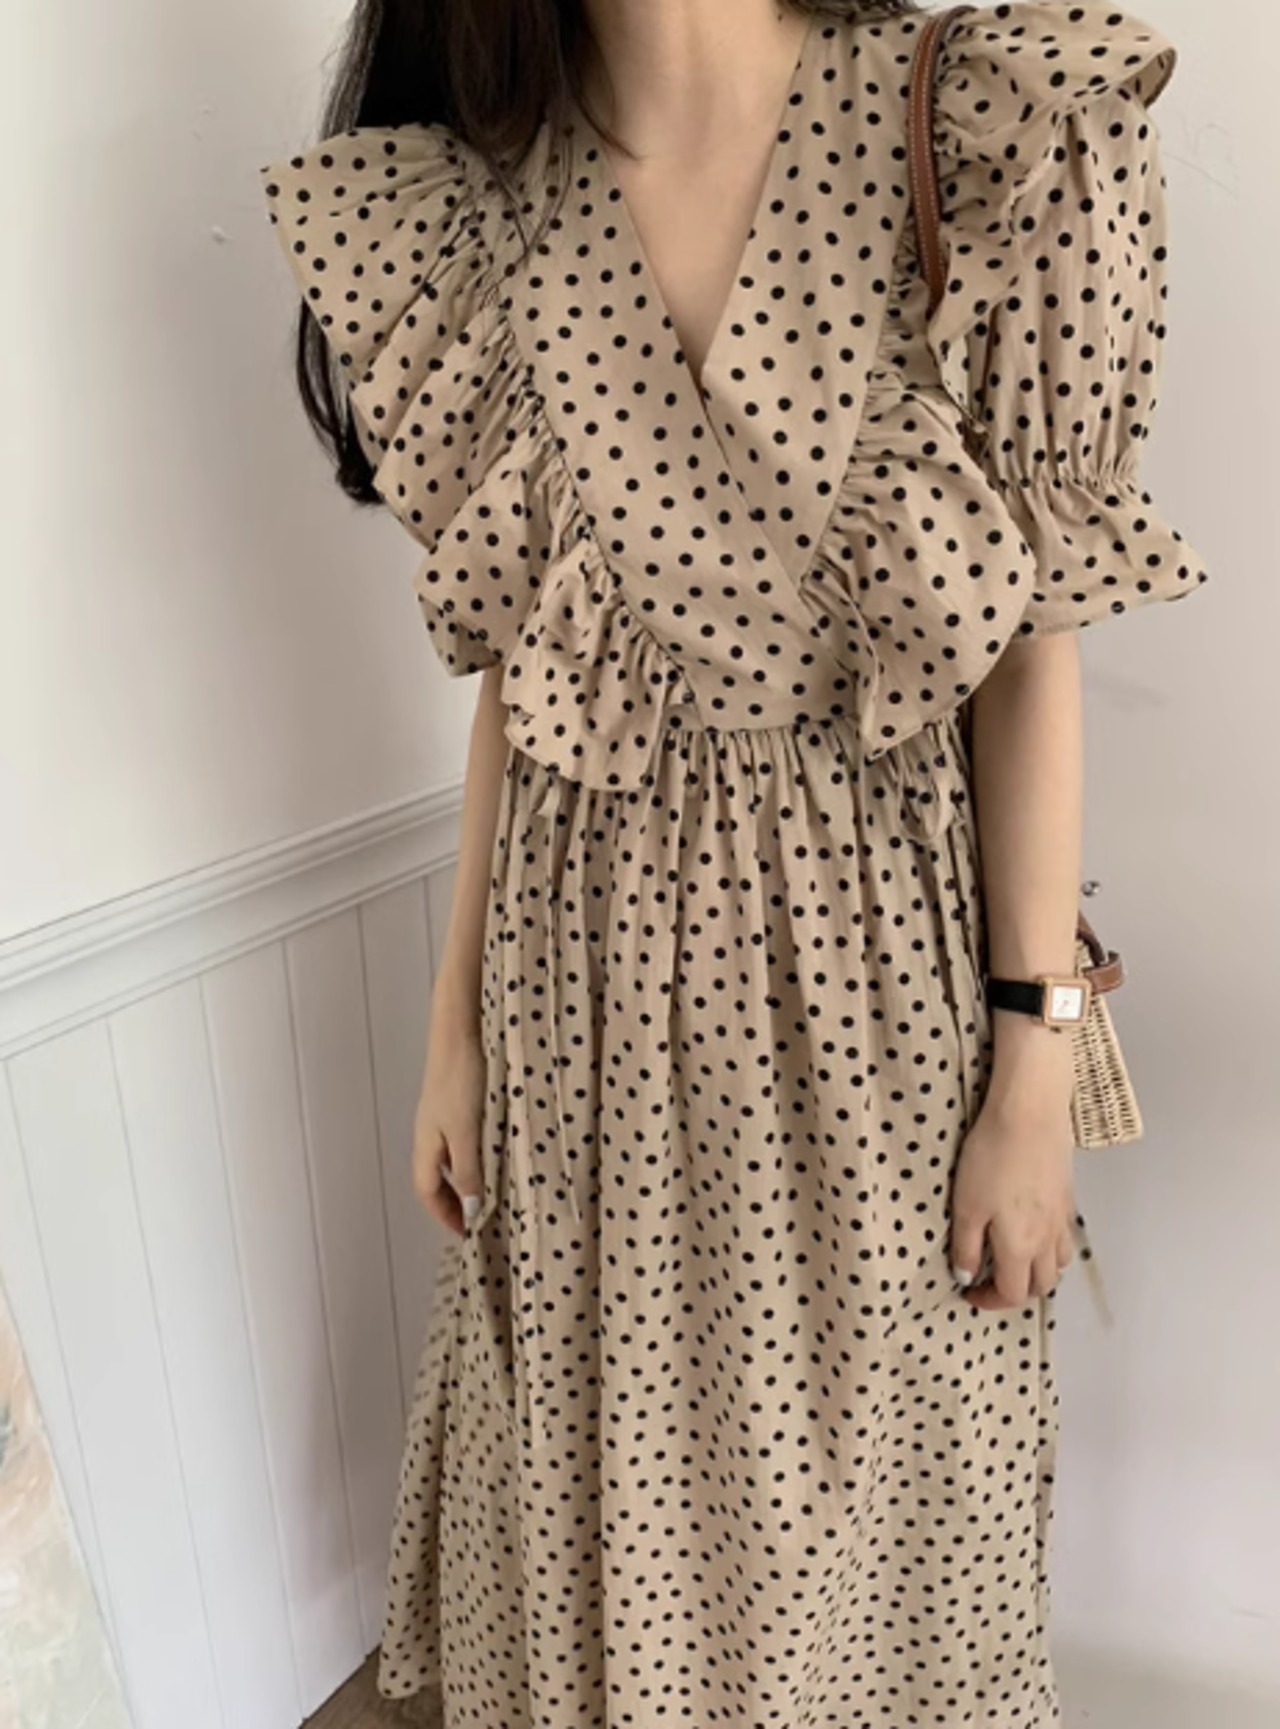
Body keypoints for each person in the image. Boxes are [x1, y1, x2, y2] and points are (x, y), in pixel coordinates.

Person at [260, 1, 1209, 1722]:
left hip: (877, 1018)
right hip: (580, 1007)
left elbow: (1030, 649)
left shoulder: (976, 126)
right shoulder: (487, 197)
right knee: (607, 1491)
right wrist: (454, 1019)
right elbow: (529, 669)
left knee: (879, 1516)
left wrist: (1032, 1070)